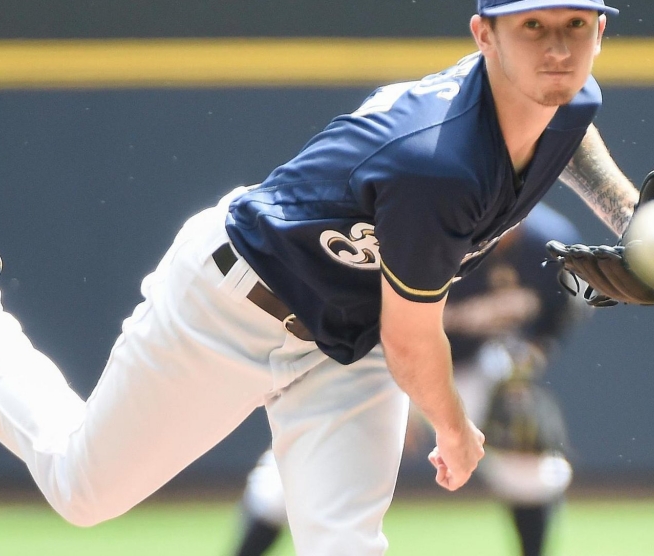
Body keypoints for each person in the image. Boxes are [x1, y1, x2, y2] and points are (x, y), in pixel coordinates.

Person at [0, 0, 654, 555]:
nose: (557, 48)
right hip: (231, 305)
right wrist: (453, 428)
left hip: (345, 341)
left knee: (345, 546)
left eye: (575, 24)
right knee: (81, 490)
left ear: (600, 30)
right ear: (483, 34)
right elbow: (412, 341)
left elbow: (572, 134)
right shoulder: (437, 161)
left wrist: (629, 220)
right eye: (531, 27)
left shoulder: (570, 96)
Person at [230, 203, 587, 556]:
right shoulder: (434, 233)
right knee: (290, 482)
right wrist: (414, 398)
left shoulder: (549, 244)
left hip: (469, 366)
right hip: (377, 357)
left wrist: (523, 365)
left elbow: (556, 317)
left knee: (531, 468)